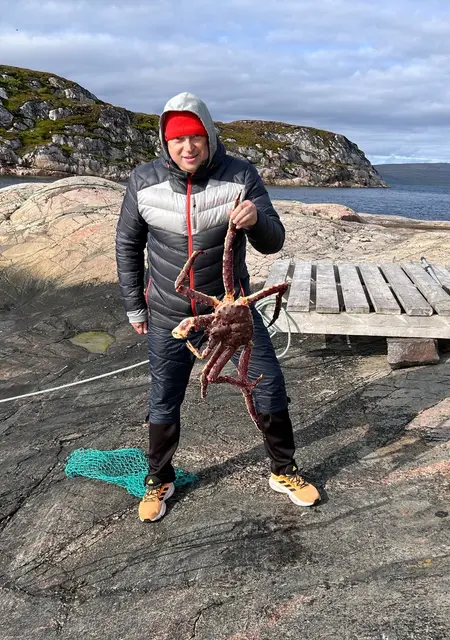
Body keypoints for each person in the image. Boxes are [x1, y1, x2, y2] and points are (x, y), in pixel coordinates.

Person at [116, 92, 320, 522]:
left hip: (233, 309)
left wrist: (256, 220)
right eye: (177, 139)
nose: (187, 147)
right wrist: (135, 305)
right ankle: (159, 478)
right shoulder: (143, 180)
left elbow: (273, 241)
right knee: (164, 395)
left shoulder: (240, 175)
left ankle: (284, 470)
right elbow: (128, 246)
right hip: (171, 312)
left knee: (268, 383)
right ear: (165, 142)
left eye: (195, 137)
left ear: (209, 136)